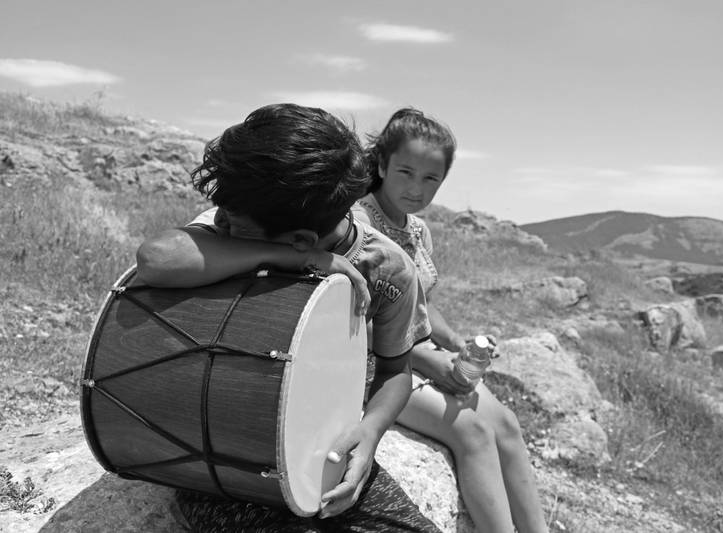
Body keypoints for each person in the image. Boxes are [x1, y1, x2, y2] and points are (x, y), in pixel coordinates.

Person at [135, 103, 441, 533]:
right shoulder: (234, 225)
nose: (219, 222)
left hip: (321, 453)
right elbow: (156, 258)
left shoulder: (387, 268)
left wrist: (369, 433)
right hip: (223, 459)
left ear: (300, 234)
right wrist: (295, 257)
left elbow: (396, 370)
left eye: (228, 220)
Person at [352, 108, 549, 533]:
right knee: (473, 431)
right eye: (405, 172)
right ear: (382, 165)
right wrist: (428, 363)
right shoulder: (359, 226)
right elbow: (354, 318)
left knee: (507, 424)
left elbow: (422, 305)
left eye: (430, 179)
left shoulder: (418, 230)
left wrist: (458, 345)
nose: (416, 189)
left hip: (417, 353)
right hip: (377, 366)